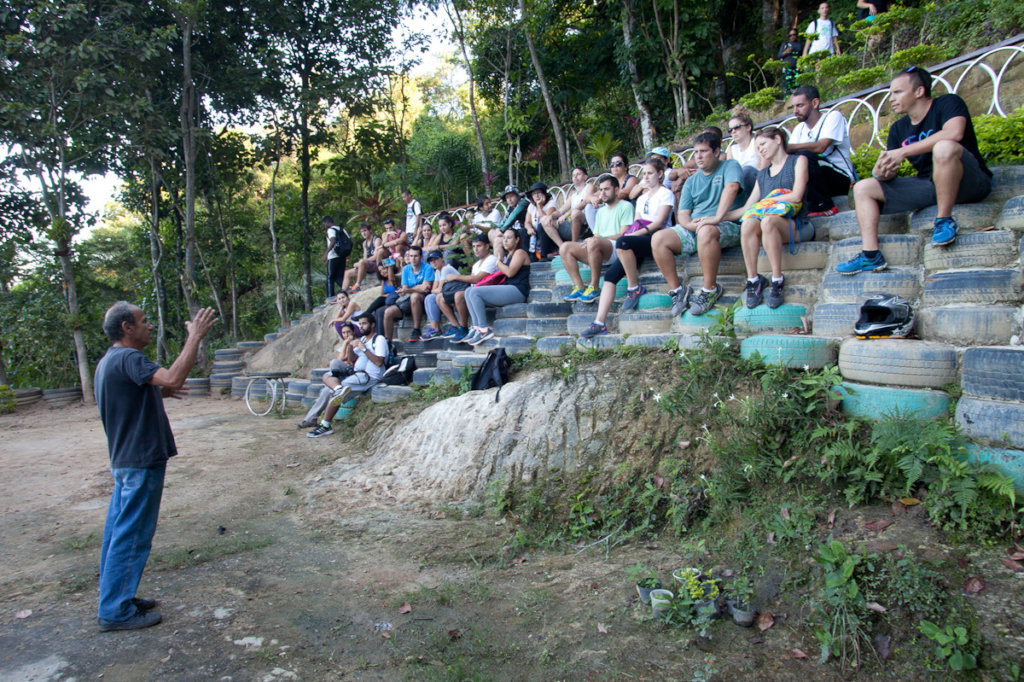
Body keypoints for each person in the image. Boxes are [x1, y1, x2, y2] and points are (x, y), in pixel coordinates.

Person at [93, 302, 217, 631]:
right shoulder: (130, 358)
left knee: (117, 534)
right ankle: (115, 611)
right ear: (126, 328)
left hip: (124, 461)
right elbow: (173, 376)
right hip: (140, 461)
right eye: (144, 322)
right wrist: (196, 337)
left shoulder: (109, 361)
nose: (150, 326)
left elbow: (135, 395)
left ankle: (115, 598)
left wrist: (157, 395)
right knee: (133, 535)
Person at [837, 66, 992, 274]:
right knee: (864, 187)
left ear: (919, 91)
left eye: (897, 92)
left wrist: (902, 152)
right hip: (930, 184)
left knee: (944, 147)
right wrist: (882, 172)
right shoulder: (898, 128)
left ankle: (944, 221)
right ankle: (870, 255)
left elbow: (954, 133)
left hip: (969, 180)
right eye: (890, 93)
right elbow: (891, 170)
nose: (891, 99)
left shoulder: (948, 103)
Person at [579, 156, 675, 338]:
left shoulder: (665, 194)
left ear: (660, 174)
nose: (645, 177)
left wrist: (632, 235)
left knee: (623, 241)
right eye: (644, 174)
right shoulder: (642, 198)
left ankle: (634, 287)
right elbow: (637, 221)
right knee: (609, 276)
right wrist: (633, 234)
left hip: (659, 238)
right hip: (638, 238)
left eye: (650, 173)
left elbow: (660, 222)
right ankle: (599, 323)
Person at [658, 131, 746, 317]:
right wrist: (691, 226)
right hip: (696, 227)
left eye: (703, 151)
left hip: (726, 224)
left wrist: (716, 218)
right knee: (659, 238)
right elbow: (682, 214)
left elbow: (732, 188)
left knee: (706, 231)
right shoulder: (692, 181)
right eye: (695, 151)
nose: (698, 156)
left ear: (716, 152)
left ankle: (709, 290)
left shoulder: (730, 166)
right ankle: (678, 291)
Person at [730, 126, 811, 308]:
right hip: (771, 226)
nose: (761, 150)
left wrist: (768, 201)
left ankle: (777, 279)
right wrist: (718, 218)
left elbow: (797, 194)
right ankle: (753, 280)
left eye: (763, 144)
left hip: (799, 224)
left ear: (777, 139)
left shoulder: (798, 161)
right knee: (749, 223)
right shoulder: (762, 175)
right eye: (757, 148)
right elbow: (748, 207)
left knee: (767, 221)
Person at [308, 313, 389, 438]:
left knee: (334, 395)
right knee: (326, 376)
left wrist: (364, 349)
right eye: (360, 324)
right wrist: (351, 346)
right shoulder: (362, 339)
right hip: (356, 374)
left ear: (372, 325)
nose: (361, 327)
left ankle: (325, 426)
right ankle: (339, 389)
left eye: (364, 323)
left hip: (368, 377)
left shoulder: (379, 340)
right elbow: (351, 360)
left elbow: (379, 362)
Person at [561, 174, 634, 303]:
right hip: (599, 248)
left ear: (616, 190)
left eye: (606, 189)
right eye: (601, 190)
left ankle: (594, 287)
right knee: (565, 247)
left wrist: (596, 240)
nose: (602, 193)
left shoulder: (626, 206)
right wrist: (589, 241)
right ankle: (579, 287)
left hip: (617, 248)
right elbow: (598, 235)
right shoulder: (600, 211)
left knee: (594, 241)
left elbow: (624, 234)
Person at [787, 85, 857, 217]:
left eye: (800, 105)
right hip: (815, 179)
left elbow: (821, 147)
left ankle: (825, 205)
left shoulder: (833, 117)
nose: (795, 111)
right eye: (793, 107)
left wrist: (787, 147)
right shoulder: (799, 129)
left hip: (840, 178)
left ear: (815, 103)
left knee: (804, 157)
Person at [462, 229, 531, 346]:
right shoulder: (509, 255)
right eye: (504, 238)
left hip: (518, 291)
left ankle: (484, 330)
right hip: (509, 289)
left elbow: (510, 273)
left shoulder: (520, 253)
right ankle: (476, 327)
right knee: (468, 291)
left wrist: (498, 262)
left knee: (475, 292)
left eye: (509, 238)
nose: (505, 240)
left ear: (517, 239)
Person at [298, 321, 360, 429]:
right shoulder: (344, 345)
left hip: (354, 374)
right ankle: (310, 419)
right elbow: (341, 358)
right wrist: (345, 344)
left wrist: (347, 345)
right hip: (343, 374)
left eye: (348, 332)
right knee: (325, 392)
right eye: (344, 333)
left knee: (334, 363)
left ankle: (333, 381)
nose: (346, 335)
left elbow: (342, 359)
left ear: (353, 332)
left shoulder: (358, 343)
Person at [439, 233, 499, 343]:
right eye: (474, 246)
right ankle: (462, 327)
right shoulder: (476, 264)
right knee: (440, 298)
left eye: (479, 246)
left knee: (460, 294)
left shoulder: (491, 259)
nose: (476, 249)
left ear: (486, 246)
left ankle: (465, 327)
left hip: (490, 292)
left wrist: (456, 276)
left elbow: (477, 279)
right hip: (476, 293)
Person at [382, 245, 434, 342]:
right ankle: (387, 342)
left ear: (421, 257)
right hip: (406, 300)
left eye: (415, 256)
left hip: (422, 299)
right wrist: (415, 288)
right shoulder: (406, 269)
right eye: (411, 256)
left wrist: (410, 290)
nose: (413, 259)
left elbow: (425, 288)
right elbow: (405, 289)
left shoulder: (428, 268)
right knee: (388, 312)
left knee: (415, 296)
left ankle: (416, 329)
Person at [544, 166, 595, 247]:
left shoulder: (589, 187)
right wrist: (551, 216)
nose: (575, 176)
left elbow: (585, 202)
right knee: (545, 221)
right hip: (571, 223)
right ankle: (562, 247)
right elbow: (560, 211)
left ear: (585, 177)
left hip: (585, 224)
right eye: (573, 175)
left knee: (575, 213)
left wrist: (566, 215)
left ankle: (574, 244)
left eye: (578, 174)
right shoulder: (573, 195)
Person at [423, 250, 463, 339]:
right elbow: (434, 289)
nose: (433, 262)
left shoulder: (446, 269)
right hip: (450, 294)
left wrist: (434, 290)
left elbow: (439, 290)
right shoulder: (438, 271)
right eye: (431, 260)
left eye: (436, 259)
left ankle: (455, 326)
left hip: (457, 294)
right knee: (429, 298)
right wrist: (434, 290)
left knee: (434, 297)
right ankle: (435, 329)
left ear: (441, 259)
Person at [489, 184, 529, 261]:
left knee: (498, 240)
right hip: (511, 233)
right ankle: (502, 260)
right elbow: (504, 221)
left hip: (522, 232)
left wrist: (501, 230)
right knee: (491, 233)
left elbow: (513, 217)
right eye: (507, 197)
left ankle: (502, 262)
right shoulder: (510, 208)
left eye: (511, 196)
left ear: (518, 196)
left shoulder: (523, 203)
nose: (509, 199)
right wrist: (498, 228)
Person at [725, 112, 760, 193]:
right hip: (739, 188)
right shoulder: (732, 149)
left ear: (748, 127)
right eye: (730, 130)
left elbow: (764, 169)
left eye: (737, 127)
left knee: (747, 171)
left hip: (757, 185)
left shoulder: (756, 143)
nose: (733, 131)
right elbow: (729, 174)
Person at [524, 181, 559, 260]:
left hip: (550, 235)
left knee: (541, 225)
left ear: (544, 194)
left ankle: (544, 255)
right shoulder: (531, 206)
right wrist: (529, 228)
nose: (536, 196)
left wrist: (539, 206)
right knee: (523, 231)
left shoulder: (551, 203)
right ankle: (528, 258)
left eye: (539, 193)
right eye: (534, 194)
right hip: (536, 235)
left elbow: (545, 220)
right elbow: (527, 222)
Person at [342, 222, 380, 293]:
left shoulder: (376, 240)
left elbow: (376, 256)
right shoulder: (364, 243)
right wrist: (360, 264)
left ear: (370, 230)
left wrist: (361, 262)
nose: (363, 233)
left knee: (362, 262)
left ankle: (357, 285)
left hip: (376, 265)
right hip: (367, 265)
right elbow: (365, 257)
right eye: (361, 232)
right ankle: (343, 292)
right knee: (347, 273)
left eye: (365, 231)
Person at [322, 216, 351, 303]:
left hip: (333, 256)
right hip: (342, 256)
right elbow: (350, 242)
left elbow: (333, 240)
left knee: (330, 277)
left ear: (327, 222)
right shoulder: (342, 229)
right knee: (339, 276)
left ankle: (330, 297)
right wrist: (347, 254)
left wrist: (326, 253)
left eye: (324, 224)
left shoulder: (331, 230)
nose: (324, 226)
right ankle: (347, 289)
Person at [778, 28, 803, 94]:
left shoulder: (800, 44)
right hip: (787, 68)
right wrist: (786, 52)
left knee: (797, 85)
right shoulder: (785, 44)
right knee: (787, 85)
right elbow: (779, 55)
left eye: (794, 35)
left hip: (797, 67)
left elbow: (803, 55)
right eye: (790, 35)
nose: (792, 37)